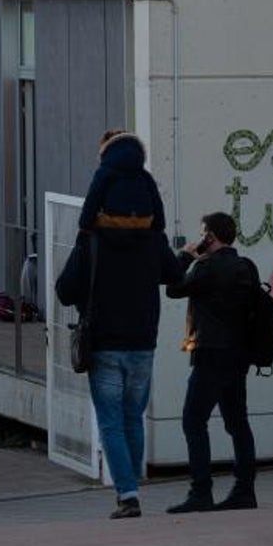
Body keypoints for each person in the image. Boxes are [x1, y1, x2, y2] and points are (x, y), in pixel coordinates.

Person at [56, 134, 183, 520]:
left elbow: (64, 291)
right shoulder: (153, 241)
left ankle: (128, 495)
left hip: (105, 344)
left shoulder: (92, 242)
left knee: (110, 420)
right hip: (144, 342)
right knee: (132, 417)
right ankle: (133, 483)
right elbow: (175, 276)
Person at [165, 212, 261, 513]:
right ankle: (244, 490)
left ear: (211, 237)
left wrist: (185, 256)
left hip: (210, 354)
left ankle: (200, 492)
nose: (200, 237)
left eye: (203, 232)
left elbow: (173, 288)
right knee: (237, 422)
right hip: (238, 355)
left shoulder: (206, 268)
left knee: (193, 421)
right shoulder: (246, 267)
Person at [77, 129, 167, 233]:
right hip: (143, 225)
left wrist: (84, 225)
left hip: (112, 227)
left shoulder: (104, 173)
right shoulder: (145, 176)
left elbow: (92, 200)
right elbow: (158, 208)